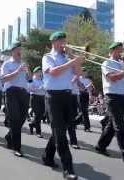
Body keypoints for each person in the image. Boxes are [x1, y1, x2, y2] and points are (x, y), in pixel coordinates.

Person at [42, 31, 84, 179]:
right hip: (53, 97)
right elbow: (53, 72)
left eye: (65, 41)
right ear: (54, 42)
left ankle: (47, 156)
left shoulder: (67, 58)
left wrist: (76, 60)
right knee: (60, 132)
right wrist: (72, 62)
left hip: (67, 95)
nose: (64, 44)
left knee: (61, 130)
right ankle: (68, 168)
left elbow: (78, 74)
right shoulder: (47, 57)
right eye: (61, 41)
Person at [94, 42, 124, 165]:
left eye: (122, 50)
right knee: (119, 126)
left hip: (122, 96)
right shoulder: (106, 63)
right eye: (120, 50)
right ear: (113, 50)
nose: (122, 53)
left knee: (111, 125)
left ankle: (100, 145)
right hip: (111, 96)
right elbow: (112, 78)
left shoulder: (122, 63)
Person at [1, 42, 30, 157]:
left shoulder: (23, 64)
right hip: (11, 92)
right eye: (17, 49)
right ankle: (16, 147)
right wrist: (17, 71)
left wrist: (28, 73)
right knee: (15, 119)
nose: (20, 51)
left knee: (22, 118)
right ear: (12, 51)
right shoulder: (6, 64)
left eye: (20, 49)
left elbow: (29, 79)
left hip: (23, 92)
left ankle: (9, 136)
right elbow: (4, 79)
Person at [28, 66, 45, 138]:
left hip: (42, 98)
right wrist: (38, 88)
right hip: (35, 98)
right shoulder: (32, 80)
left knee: (41, 114)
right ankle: (38, 132)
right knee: (37, 114)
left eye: (41, 72)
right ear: (34, 73)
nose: (40, 73)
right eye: (38, 72)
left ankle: (32, 124)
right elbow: (29, 89)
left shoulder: (43, 81)